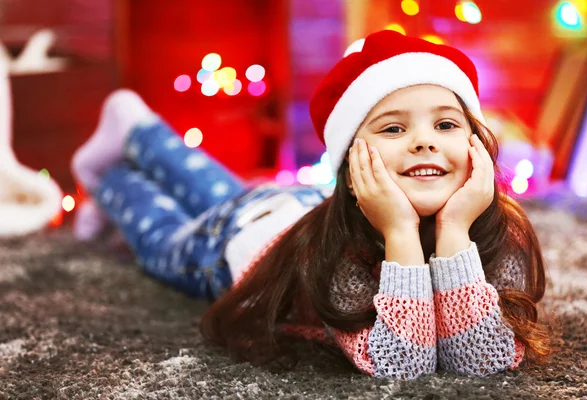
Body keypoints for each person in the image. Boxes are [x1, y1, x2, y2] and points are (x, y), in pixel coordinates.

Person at [71, 30, 550, 380]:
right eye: (393, 128)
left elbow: (480, 361)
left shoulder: (500, 233)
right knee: (159, 235)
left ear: (476, 144)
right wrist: (402, 233)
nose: (425, 142)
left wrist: (454, 234)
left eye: (445, 125)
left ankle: (138, 131)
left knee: (217, 188)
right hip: (234, 242)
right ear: (350, 164)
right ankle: (109, 173)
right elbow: (404, 365)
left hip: (297, 205)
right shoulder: (340, 255)